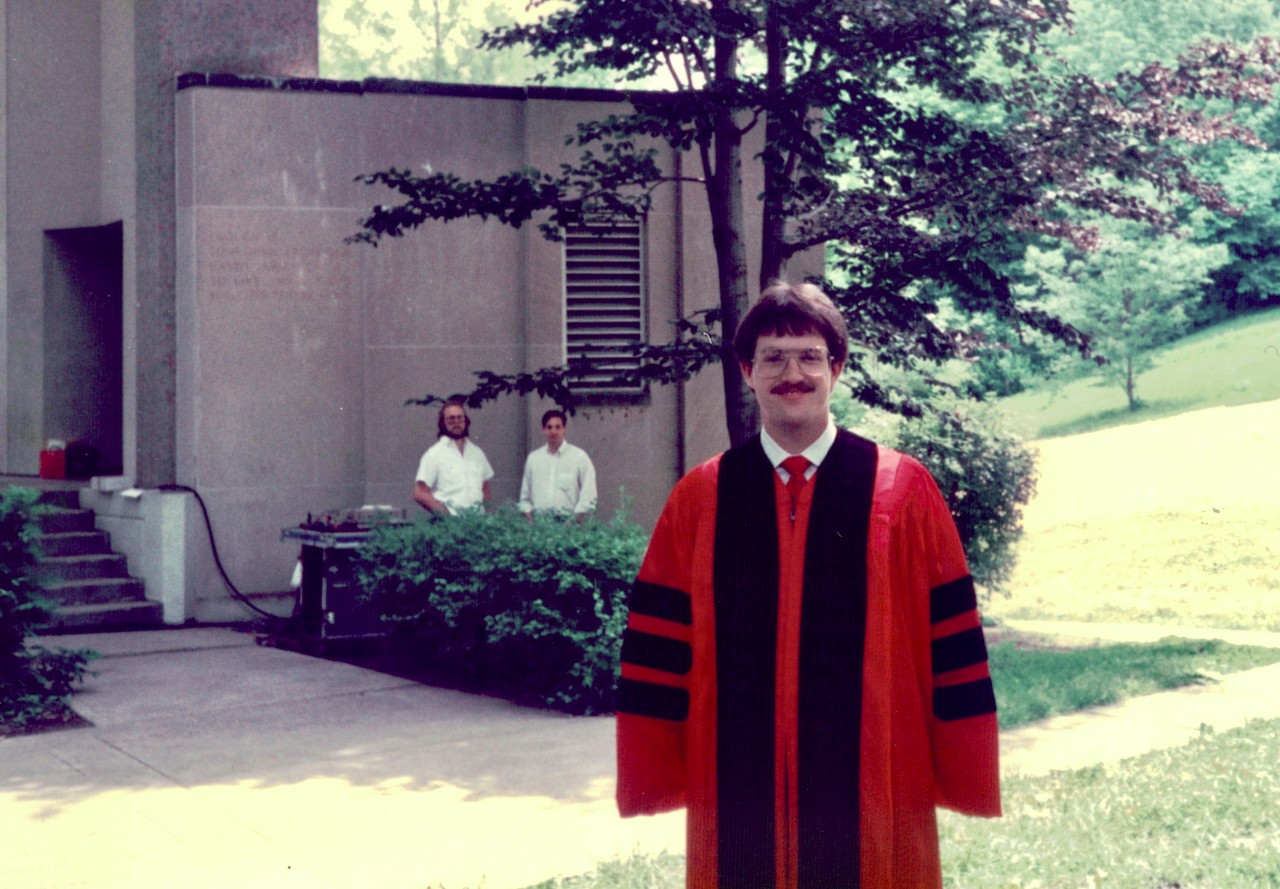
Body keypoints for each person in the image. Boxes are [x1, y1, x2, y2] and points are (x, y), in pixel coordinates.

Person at [615, 282, 1000, 888]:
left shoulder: (900, 491)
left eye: (809, 356)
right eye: (772, 357)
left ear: (836, 368)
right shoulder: (703, 496)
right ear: (746, 371)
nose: (791, 373)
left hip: (877, 789)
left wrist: (961, 764)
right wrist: (656, 765)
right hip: (737, 793)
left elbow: (951, 646)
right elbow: (659, 652)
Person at [413, 400, 494, 515]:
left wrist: (484, 511)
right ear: (443, 423)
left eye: (460, 418)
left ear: (465, 421)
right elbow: (420, 493)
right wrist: (446, 515)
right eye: (451, 418)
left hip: (477, 524)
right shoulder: (434, 454)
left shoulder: (477, 453)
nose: (456, 422)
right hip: (450, 527)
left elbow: (485, 486)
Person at [518, 409, 598, 523]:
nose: (553, 431)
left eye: (558, 427)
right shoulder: (534, 459)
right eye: (549, 427)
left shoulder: (579, 457)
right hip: (539, 523)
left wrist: (572, 521)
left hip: (569, 522)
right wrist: (531, 521)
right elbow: (525, 497)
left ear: (564, 429)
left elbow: (589, 494)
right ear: (543, 430)